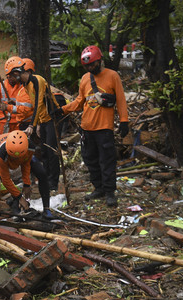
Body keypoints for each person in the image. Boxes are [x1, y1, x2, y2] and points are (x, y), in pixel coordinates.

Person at [58, 45, 129, 207]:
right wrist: (62, 110)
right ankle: (99, 188)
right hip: (87, 128)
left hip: (104, 129)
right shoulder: (85, 79)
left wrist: (124, 120)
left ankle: (110, 191)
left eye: (92, 65)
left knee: (107, 161)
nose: (90, 68)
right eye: (87, 66)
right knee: (90, 160)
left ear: (100, 61)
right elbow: (78, 102)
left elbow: (120, 100)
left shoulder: (113, 76)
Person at [0, 130, 53, 220]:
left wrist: (27, 184)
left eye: (18, 158)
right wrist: (20, 197)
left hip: (24, 154)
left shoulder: (30, 147)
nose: (16, 159)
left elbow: (26, 164)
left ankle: (47, 210)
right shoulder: (1, 153)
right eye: (13, 157)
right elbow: (5, 179)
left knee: (42, 173)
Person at [11, 58, 61, 192]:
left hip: (51, 119)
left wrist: (32, 125)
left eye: (14, 76)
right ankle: (46, 180)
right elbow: (35, 106)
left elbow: (39, 103)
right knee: (44, 151)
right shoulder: (26, 85)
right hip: (43, 120)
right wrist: (38, 123)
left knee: (51, 151)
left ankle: (54, 182)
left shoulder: (37, 80)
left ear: (19, 73)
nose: (15, 80)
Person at [0, 56, 33, 135]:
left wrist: (8, 107)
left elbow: (25, 106)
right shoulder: (0, 86)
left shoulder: (24, 86)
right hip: (4, 121)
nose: (12, 79)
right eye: (9, 76)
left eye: (13, 76)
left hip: (18, 121)